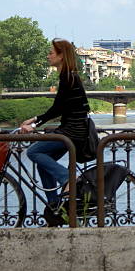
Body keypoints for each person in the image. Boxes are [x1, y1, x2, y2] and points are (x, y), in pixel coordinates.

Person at [21, 38, 90, 226]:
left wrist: (34, 126)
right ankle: (55, 208)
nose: (48, 55)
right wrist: (35, 120)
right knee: (43, 162)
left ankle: (68, 179)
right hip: (71, 130)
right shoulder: (68, 75)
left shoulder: (68, 77)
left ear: (61, 56)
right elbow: (58, 108)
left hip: (72, 132)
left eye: (51, 52)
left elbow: (58, 108)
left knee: (33, 152)